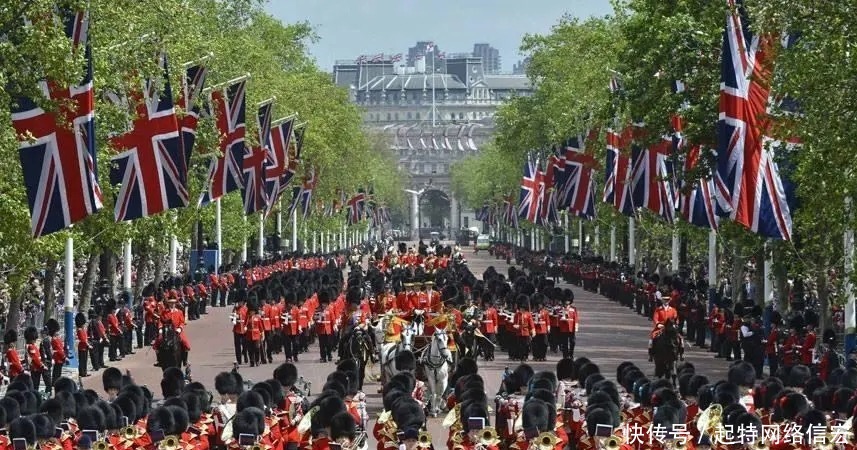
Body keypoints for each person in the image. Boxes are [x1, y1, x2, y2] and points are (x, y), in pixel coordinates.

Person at [45, 318, 66, 390]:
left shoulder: (56, 339)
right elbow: (59, 350)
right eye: (56, 331)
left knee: (57, 371)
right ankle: (55, 383)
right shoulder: (54, 340)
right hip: (58, 357)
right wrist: (64, 356)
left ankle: (55, 382)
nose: (58, 332)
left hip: (58, 357)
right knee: (57, 372)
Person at [23, 326, 45, 391]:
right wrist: (42, 365)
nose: (35, 341)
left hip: (35, 368)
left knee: (35, 385)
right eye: (34, 339)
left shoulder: (32, 346)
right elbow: (35, 358)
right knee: (35, 386)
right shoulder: (31, 347)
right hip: (35, 368)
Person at [75, 312, 91, 378]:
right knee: (82, 361)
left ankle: (84, 372)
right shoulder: (79, 330)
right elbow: (83, 339)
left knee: (84, 360)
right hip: (82, 347)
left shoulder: (82, 329)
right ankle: (82, 372)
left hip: (84, 347)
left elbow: (85, 338)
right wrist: (88, 345)